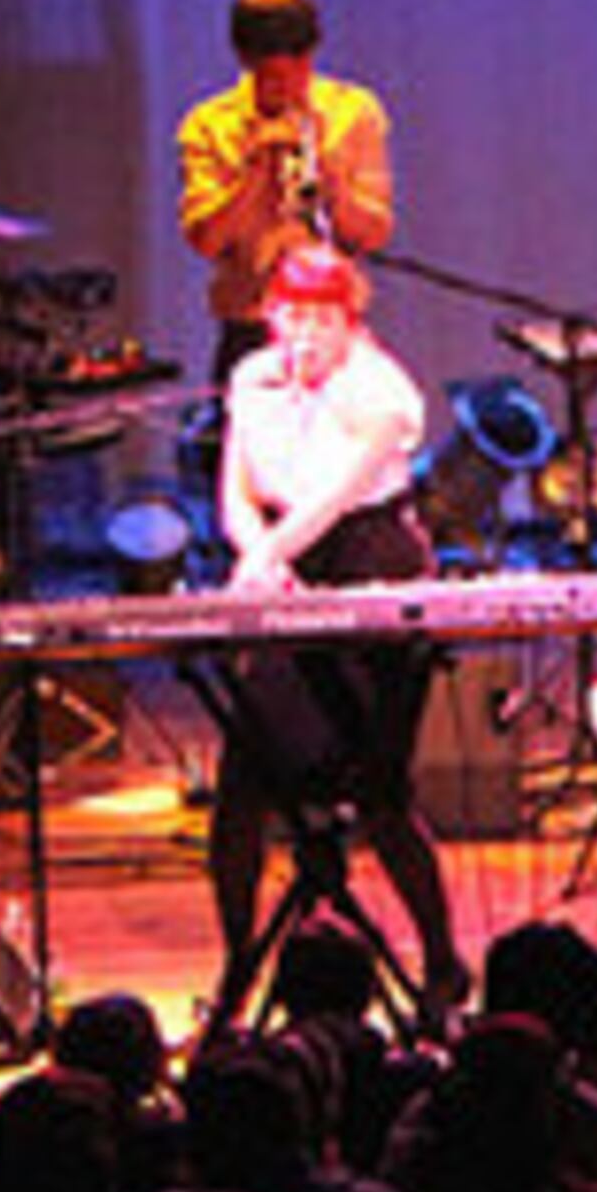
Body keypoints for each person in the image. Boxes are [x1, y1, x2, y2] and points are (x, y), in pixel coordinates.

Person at [204, 244, 463, 1031]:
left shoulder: (380, 391)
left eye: (324, 318)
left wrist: (264, 560)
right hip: (285, 557)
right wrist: (258, 554)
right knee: (241, 787)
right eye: (293, 316)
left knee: (378, 790)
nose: (306, 334)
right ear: (271, 315)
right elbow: (238, 490)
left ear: (352, 321)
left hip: (369, 555)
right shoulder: (252, 379)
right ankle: (240, 963)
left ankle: (443, 960)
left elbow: (333, 497)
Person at [176, 0, 395, 382]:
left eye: (300, 70)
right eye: (272, 76)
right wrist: (255, 174)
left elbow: (374, 234)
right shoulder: (208, 125)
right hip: (251, 326)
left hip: (335, 326)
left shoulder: (354, 112)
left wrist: (334, 185)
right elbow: (206, 241)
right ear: (245, 60)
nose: (289, 87)